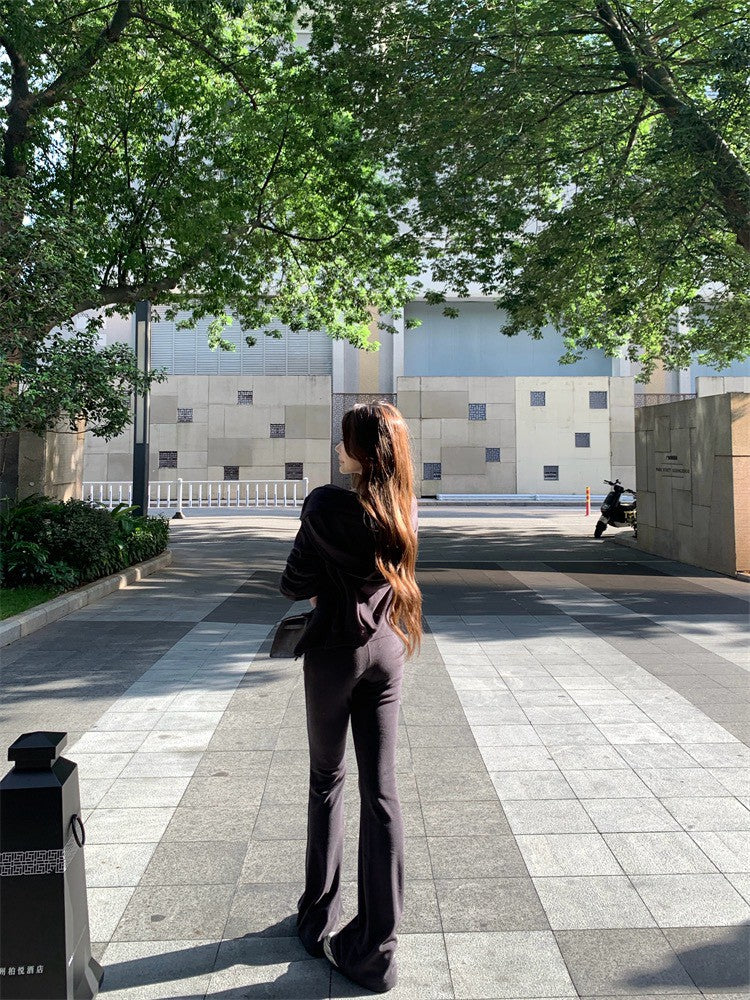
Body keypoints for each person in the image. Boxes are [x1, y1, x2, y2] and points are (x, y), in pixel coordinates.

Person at [279, 400, 423, 994]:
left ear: (359, 449)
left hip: (335, 652)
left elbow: (292, 581)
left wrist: (322, 583)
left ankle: (318, 917)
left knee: (327, 780)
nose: (339, 447)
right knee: (382, 793)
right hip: (387, 649)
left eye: (345, 439)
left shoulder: (324, 504)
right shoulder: (402, 506)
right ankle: (376, 952)